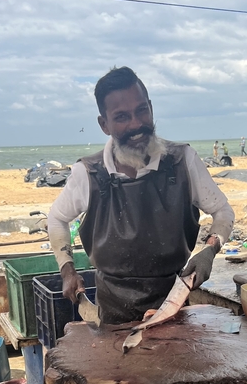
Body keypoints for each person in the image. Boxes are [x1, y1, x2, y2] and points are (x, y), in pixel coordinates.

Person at [47, 66, 234, 324]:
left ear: (151, 108)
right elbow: (56, 218)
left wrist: (210, 250)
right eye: (122, 116)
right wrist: (67, 270)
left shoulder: (183, 161)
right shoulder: (87, 174)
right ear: (104, 124)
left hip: (174, 302)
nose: (136, 124)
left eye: (141, 111)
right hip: (111, 310)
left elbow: (223, 211)